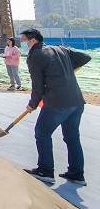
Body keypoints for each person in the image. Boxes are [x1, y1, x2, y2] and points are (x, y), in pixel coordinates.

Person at [20, 28, 91, 185]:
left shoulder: (35, 56)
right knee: (72, 137)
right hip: (76, 101)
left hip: (57, 103)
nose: (22, 44)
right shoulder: (60, 49)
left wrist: (32, 104)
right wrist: (66, 71)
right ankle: (76, 173)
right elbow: (86, 57)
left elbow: (37, 86)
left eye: (23, 41)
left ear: (33, 41)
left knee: (42, 132)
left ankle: (45, 170)